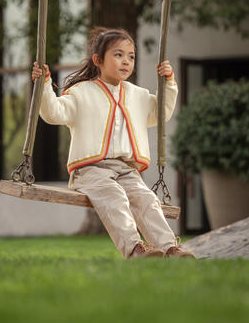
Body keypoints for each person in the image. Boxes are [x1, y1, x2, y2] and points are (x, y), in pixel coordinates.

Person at [32, 27, 195, 260]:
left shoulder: (137, 94)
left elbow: (160, 113)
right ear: (98, 60)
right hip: (90, 169)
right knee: (114, 196)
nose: (126, 61)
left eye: (131, 56)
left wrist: (168, 82)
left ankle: (170, 248)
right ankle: (135, 248)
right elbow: (53, 113)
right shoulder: (81, 93)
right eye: (118, 55)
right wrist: (44, 85)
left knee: (146, 199)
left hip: (126, 170)